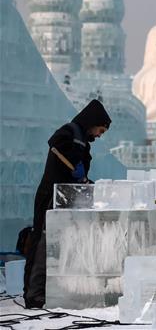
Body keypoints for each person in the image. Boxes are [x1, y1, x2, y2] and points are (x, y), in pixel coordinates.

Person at [23, 99, 111, 308]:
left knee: (58, 247)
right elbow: (56, 145)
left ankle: (51, 290)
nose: (99, 135)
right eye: (100, 130)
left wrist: (84, 181)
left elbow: (78, 174)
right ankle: (34, 294)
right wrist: (75, 166)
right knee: (42, 245)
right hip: (49, 197)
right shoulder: (70, 132)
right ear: (93, 122)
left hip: (65, 199)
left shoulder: (83, 142)